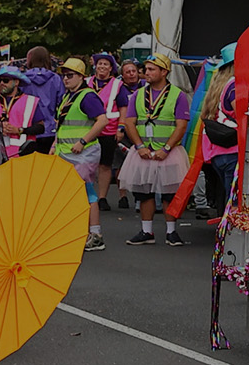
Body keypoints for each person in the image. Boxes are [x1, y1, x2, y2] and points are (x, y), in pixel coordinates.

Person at [120, 54, 191, 246]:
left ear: (164, 72)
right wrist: (139, 146)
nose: (146, 73)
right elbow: (129, 122)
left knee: (170, 192)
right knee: (144, 192)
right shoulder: (137, 95)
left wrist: (167, 148)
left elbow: (181, 125)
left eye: (152, 69)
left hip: (169, 152)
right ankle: (146, 231)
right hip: (144, 151)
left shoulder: (178, 95)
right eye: (146, 69)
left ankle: (171, 232)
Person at [50, 58, 109, 252]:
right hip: (66, 152)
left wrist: (82, 141)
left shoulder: (87, 96)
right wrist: (54, 145)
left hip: (83, 153)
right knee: (72, 193)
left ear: (81, 76)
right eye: (63, 75)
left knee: (87, 192)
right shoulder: (69, 96)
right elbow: (63, 125)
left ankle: (95, 234)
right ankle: (78, 232)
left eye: (70, 75)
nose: (65, 79)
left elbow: (102, 120)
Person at [199, 46, 240, 222]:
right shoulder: (234, 86)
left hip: (218, 153)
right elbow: (243, 116)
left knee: (226, 197)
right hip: (233, 151)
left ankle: (224, 241)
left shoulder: (218, 86)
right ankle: (229, 244)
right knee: (235, 203)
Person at [88, 52, 131, 212]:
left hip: (109, 130)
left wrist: (121, 127)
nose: (102, 66)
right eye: (100, 63)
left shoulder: (117, 85)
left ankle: (102, 198)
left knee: (105, 165)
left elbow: (123, 108)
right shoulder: (87, 82)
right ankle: (87, 196)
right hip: (89, 130)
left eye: (106, 64)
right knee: (88, 165)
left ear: (111, 68)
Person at [0, 66, 42, 159]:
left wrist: (19, 130)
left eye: (5, 80)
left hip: (22, 156)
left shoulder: (30, 101)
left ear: (16, 82)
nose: (1, 83)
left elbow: (41, 128)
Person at [19, 46, 65, 156]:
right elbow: (62, 103)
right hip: (51, 129)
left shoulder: (23, 80)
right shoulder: (56, 79)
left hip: (30, 129)